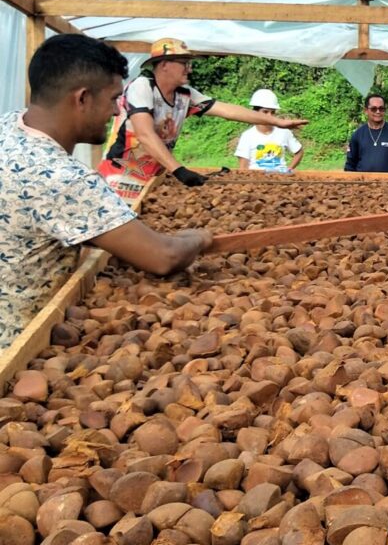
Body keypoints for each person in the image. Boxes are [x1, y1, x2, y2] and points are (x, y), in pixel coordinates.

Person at [1, 35, 213, 348]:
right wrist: (199, 238)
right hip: (14, 343)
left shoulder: (8, 124)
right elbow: (162, 257)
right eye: (114, 99)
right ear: (82, 98)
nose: (117, 113)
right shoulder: (64, 179)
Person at [98, 38, 308, 200]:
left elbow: (228, 111)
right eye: (184, 63)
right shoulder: (142, 86)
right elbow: (144, 134)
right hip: (121, 175)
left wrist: (277, 122)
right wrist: (178, 170)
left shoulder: (185, 95)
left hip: (154, 175)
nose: (189, 68)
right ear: (163, 65)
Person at [235, 89, 303, 173]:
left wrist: (288, 170)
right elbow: (243, 167)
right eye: (265, 112)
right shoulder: (247, 136)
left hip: (280, 179)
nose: (269, 116)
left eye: (272, 112)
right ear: (255, 112)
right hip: (256, 179)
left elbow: (299, 151)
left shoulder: (284, 132)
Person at [344, 93, 388, 173]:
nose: (378, 111)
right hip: (363, 183)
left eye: (381, 108)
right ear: (366, 111)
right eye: (373, 109)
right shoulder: (357, 135)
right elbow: (350, 165)